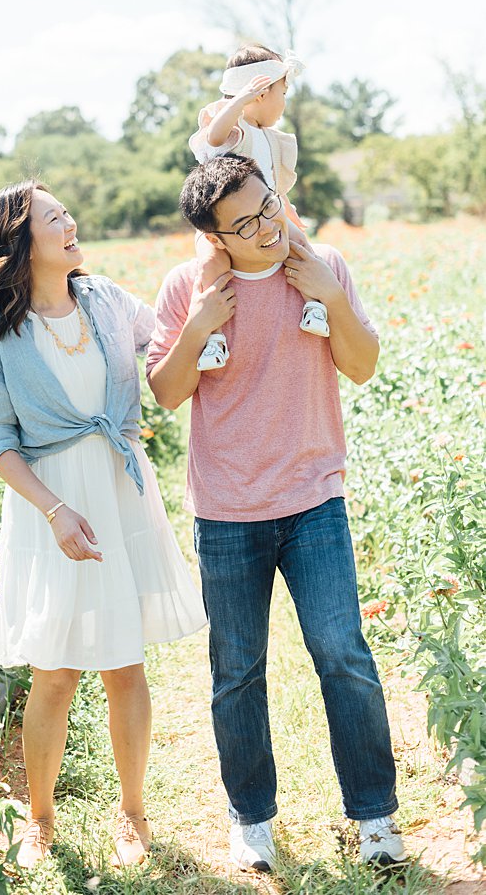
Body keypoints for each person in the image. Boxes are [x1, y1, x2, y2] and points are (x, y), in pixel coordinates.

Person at [147, 155, 402, 872]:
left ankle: (376, 815)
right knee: (237, 670)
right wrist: (199, 324)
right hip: (228, 510)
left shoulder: (322, 264)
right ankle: (250, 818)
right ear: (216, 237)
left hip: (314, 498)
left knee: (343, 654)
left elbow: (362, 364)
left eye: (270, 205)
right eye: (246, 223)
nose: (267, 226)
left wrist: (331, 294)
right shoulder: (186, 289)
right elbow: (167, 394)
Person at [0, 180, 206, 870]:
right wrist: (55, 509)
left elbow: (168, 344)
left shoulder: (105, 299)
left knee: (126, 664)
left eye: (67, 213)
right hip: (52, 505)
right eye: (53, 218)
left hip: (119, 491)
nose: (71, 224)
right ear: (19, 240)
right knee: (57, 671)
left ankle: (132, 813)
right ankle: (39, 819)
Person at [188, 44, 328, 371]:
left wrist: (289, 212)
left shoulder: (270, 138)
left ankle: (315, 305)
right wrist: (237, 102)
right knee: (211, 266)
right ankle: (213, 335)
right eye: (282, 92)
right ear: (261, 94)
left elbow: (274, 186)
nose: (284, 101)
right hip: (223, 226)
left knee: (304, 248)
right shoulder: (237, 130)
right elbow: (213, 136)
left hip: (269, 213)